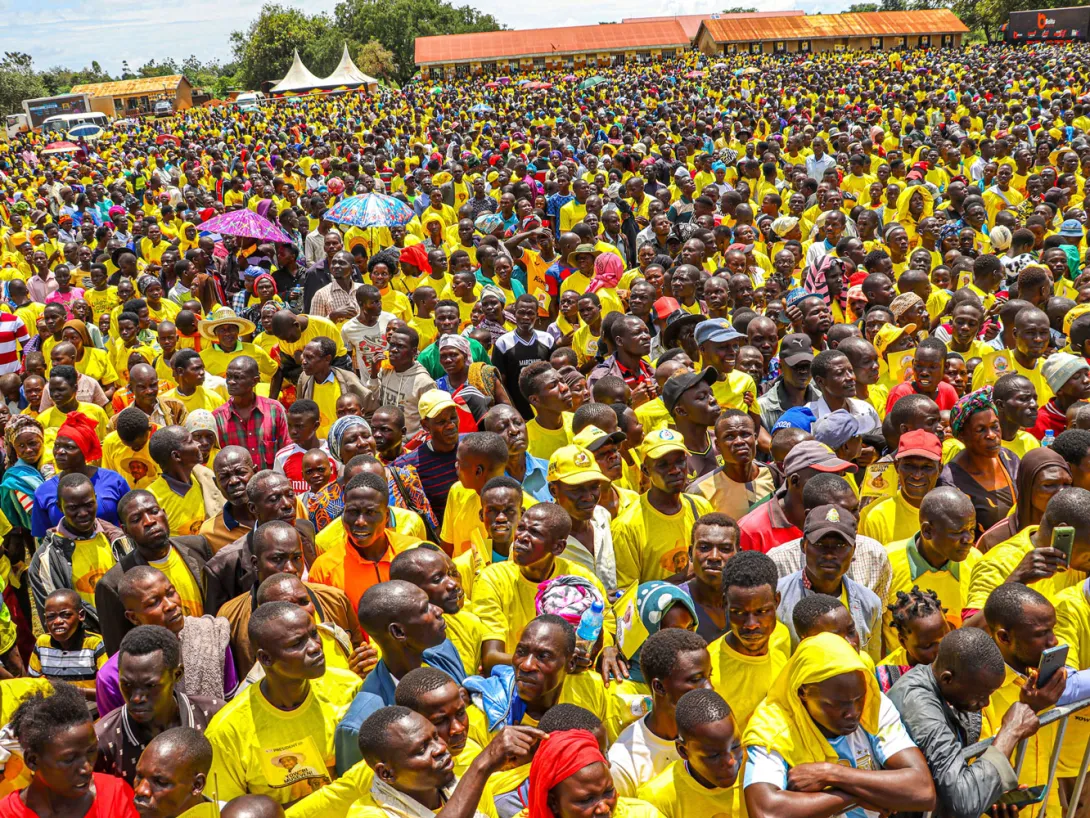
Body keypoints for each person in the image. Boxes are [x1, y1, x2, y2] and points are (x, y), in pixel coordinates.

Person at [742, 631, 935, 818]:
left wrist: (831, 773)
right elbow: (766, 812)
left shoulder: (873, 706)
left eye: (858, 698)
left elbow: (922, 790)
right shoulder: (771, 730)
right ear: (803, 692)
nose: (853, 712)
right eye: (837, 704)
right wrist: (856, 795)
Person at [204, 602, 362, 807]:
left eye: (314, 634)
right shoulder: (227, 731)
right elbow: (230, 809)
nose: (315, 647)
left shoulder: (348, 688)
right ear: (265, 658)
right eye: (297, 643)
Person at [474, 503, 615, 672]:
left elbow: (606, 633)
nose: (521, 537)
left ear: (558, 547)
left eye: (535, 533)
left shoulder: (582, 581)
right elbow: (491, 658)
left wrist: (605, 650)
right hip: (516, 679)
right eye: (521, 528)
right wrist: (557, 664)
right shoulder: (492, 579)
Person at [216, 520, 363, 680]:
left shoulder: (335, 600)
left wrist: (356, 670)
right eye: (278, 559)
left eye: (297, 558)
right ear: (255, 563)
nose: (291, 568)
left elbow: (356, 654)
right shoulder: (230, 616)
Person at [94, 625, 223, 785]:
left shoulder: (214, 717)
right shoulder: (103, 742)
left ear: (176, 675)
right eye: (127, 685)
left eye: (150, 686)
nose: (136, 698)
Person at [94, 488, 212, 654]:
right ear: (125, 530)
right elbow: (119, 649)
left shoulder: (197, 546)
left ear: (164, 514)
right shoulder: (113, 583)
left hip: (210, 650)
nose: (149, 521)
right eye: (136, 519)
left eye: (154, 512)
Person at [1, 683, 139, 818]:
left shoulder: (116, 796)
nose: (87, 768)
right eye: (69, 759)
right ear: (33, 760)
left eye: (91, 751)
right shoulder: (6, 814)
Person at [607, 628, 711, 798]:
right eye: (695, 679)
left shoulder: (714, 734)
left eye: (709, 676)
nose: (710, 688)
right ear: (659, 687)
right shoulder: (624, 763)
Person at [611, 429, 714, 593]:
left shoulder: (701, 506)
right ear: (646, 470)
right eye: (663, 465)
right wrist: (681, 580)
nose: (675, 470)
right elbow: (627, 594)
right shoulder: (626, 527)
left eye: (680, 461)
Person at [203, 470, 315, 615]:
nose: (287, 504)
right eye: (274, 499)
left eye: (290, 495)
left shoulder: (305, 530)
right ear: (253, 508)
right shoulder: (223, 566)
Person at [778, 504, 883, 659]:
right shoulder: (779, 599)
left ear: (853, 550)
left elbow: (871, 665)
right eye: (820, 544)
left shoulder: (869, 603)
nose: (829, 555)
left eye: (840, 545)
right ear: (803, 546)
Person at [308, 472, 425, 610]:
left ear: (387, 515)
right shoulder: (324, 570)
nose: (360, 522)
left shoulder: (416, 552)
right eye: (352, 512)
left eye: (370, 513)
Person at [27, 472, 125, 631]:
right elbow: (56, 622)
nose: (83, 513)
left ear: (96, 499)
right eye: (73, 508)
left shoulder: (118, 540)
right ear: (59, 506)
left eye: (88, 504)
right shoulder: (45, 560)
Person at [637, 688, 745, 818]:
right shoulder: (657, 799)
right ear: (683, 751)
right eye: (714, 755)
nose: (730, 761)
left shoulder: (757, 772)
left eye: (735, 746)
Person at [738, 440, 853, 554]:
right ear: (795, 480)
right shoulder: (751, 530)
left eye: (839, 476)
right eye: (824, 479)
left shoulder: (840, 518)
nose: (835, 486)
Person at [30, 411, 130, 537]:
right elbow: (42, 536)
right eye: (57, 445)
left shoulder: (114, 481)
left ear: (84, 451)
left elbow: (131, 521)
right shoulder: (44, 491)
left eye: (69, 447)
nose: (59, 452)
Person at [939, 389, 1021, 539]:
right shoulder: (951, 482)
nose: (991, 435)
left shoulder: (1010, 460)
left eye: (995, 426)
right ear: (963, 436)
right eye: (980, 430)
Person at [976, 447, 1072, 554]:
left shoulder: (1079, 530)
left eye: (1067, 484)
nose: (1062, 492)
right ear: (1027, 488)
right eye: (1049, 485)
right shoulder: (994, 540)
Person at [687, 411, 777, 520]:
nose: (739, 441)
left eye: (745, 434)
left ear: (755, 439)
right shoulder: (700, 490)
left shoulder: (774, 476)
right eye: (729, 436)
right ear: (718, 445)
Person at [858, 430, 943, 545]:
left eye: (927, 467)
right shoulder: (874, 516)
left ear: (940, 470)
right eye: (909, 466)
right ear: (897, 466)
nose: (917, 475)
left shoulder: (953, 513)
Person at [212, 357, 289, 472]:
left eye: (238, 377)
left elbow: (287, 451)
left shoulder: (275, 410)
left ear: (255, 381)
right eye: (228, 376)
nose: (231, 381)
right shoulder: (217, 417)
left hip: (272, 486)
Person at [492, 294, 554, 420]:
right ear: (514, 313)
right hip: (518, 410)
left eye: (530, 313)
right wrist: (512, 410)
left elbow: (555, 375)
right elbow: (500, 382)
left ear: (537, 315)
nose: (526, 317)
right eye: (521, 312)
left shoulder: (547, 339)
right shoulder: (503, 343)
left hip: (546, 409)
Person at [131, 727, 216, 818]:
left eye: (160, 782)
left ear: (197, 784)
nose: (140, 790)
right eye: (139, 776)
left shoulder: (226, 814)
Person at [681, 513, 738, 643]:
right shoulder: (678, 605)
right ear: (690, 553)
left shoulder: (746, 602)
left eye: (725, 549)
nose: (714, 556)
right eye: (704, 548)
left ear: (738, 554)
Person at [199, 447, 258, 553]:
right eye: (224, 477)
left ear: (255, 472)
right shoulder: (210, 532)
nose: (233, 481)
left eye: (240, 472)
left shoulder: (284, 506)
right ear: (216, 484)